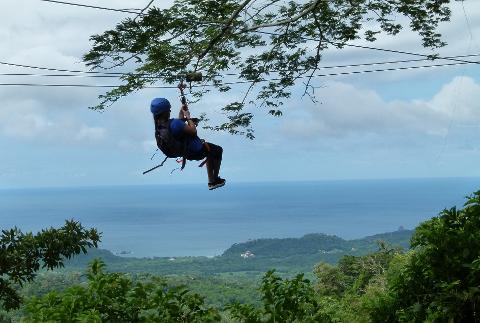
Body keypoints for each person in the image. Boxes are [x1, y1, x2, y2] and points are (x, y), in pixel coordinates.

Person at [150, 97, 226, 190]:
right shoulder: (175, 123)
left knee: (211, 151)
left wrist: (182, 111)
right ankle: (214, 180)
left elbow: (179, 125)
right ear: (166, 111)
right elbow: (193, 131)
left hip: (186, 153)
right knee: (217, 150)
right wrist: (189, 118)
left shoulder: (160, 126)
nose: (170, 111)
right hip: (197, 151)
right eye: (169, 110)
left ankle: (212, 181)